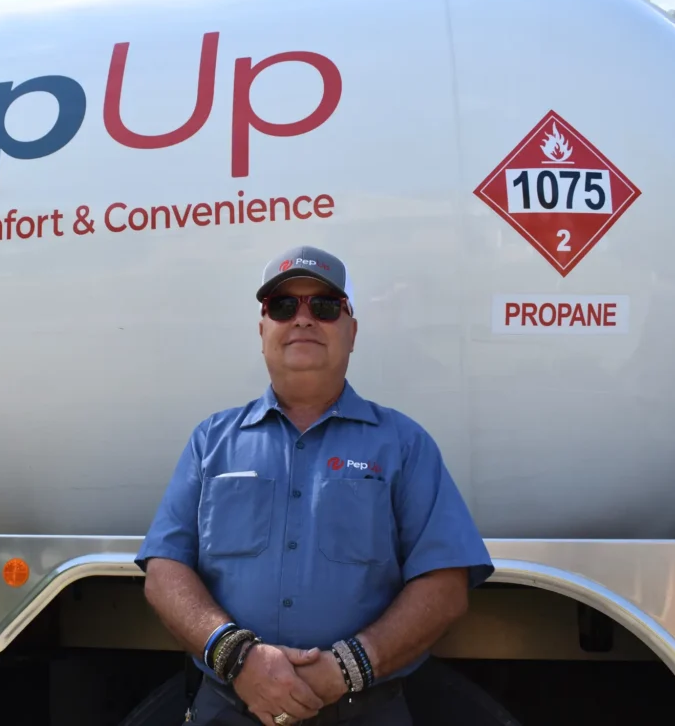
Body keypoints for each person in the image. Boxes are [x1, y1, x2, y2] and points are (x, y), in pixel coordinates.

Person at [134, 245, 494, 726]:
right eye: (283, 307)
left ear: (352, 332)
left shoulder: (405, 445)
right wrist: (240, 659)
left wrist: (345, 668)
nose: (302, 319)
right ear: (263, 331)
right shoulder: (210, 442)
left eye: (323, 307)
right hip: (229, 710)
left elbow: (445, 586)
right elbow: (165, 572)